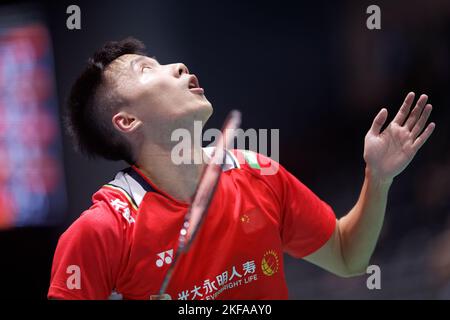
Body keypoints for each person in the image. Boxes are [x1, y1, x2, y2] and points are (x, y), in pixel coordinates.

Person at [48, 37, 435, 300]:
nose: (178, 67)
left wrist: (378, 179)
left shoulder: (258, 175)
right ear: (126, 121)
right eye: (146, 70)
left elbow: (349, 256)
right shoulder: (105, 231)